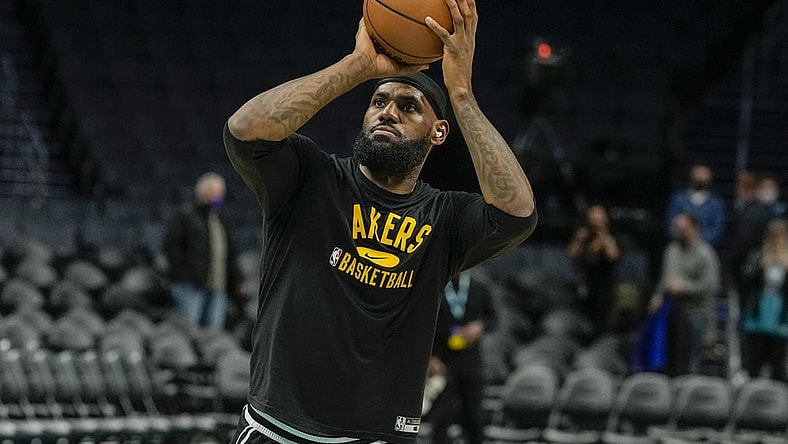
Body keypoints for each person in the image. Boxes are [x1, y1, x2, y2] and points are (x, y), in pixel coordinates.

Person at [222, 1, 538, 443]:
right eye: (378, 101)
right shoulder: (311, 178)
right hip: (277, 429)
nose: (388, 112)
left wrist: (462, 96)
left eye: (409, 107)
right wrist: (357, 67)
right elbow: (244, 129)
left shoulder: (444, 218)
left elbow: (518, 211)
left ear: (438, 132)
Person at [162, 172, 242, 330]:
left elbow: (229, 253)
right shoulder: (185, 216)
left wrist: (237, 279)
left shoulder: (220, 219)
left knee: (213, 332)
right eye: (215, 192)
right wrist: (183, 276)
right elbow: (171, 248)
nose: (219, 196)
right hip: (191, 286)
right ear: (203, 192)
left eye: (221, 192)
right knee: (189, 329)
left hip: (217, 285)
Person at [425, 270, 495, 444]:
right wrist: (430, 356)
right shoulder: (435, 287)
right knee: (441, 417)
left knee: (474, 416)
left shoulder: (479, 286)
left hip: (470, 360)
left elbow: (493, 319)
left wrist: (480, 326)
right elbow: (420, 324)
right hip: (442, 362)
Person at [649, 212, 721, 376]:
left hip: (696, 312)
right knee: (671, 358)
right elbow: (665, 277)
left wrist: (684, 287)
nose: (677, 231)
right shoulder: (671, 250)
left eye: (682, 228)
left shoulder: (705, 254)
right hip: (672, 311)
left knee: (691, 361)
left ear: (694, 228)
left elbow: (711, 286)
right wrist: (658, 295)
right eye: (676, 227)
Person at [739, 218, 788, 381]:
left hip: (781, 313)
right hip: (758, 310)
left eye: (781, 235)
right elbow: (745, 278)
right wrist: (760, 267)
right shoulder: (758, 254)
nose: (777, 239)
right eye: (774, 236)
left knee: (778, 358)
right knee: (755, 356)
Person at [567, 204, 621, 338]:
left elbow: (613, 256)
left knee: (601, 327)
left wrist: (603, 236)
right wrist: (579, 240)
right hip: (585, 287)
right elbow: (571, 255)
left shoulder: (611, 237)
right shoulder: (584, 238)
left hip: (604, 290)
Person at [665, 162, 726, 247]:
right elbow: (670, 225)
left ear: (710, 176)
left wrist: (697, 240)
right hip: (679, 246)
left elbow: (716, 229)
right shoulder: (678, 199)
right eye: (698, 173)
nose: (700, 177)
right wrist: (684, 238)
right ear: (691, 175)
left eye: (704, 174)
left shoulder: (716, 203)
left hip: (705, 248)